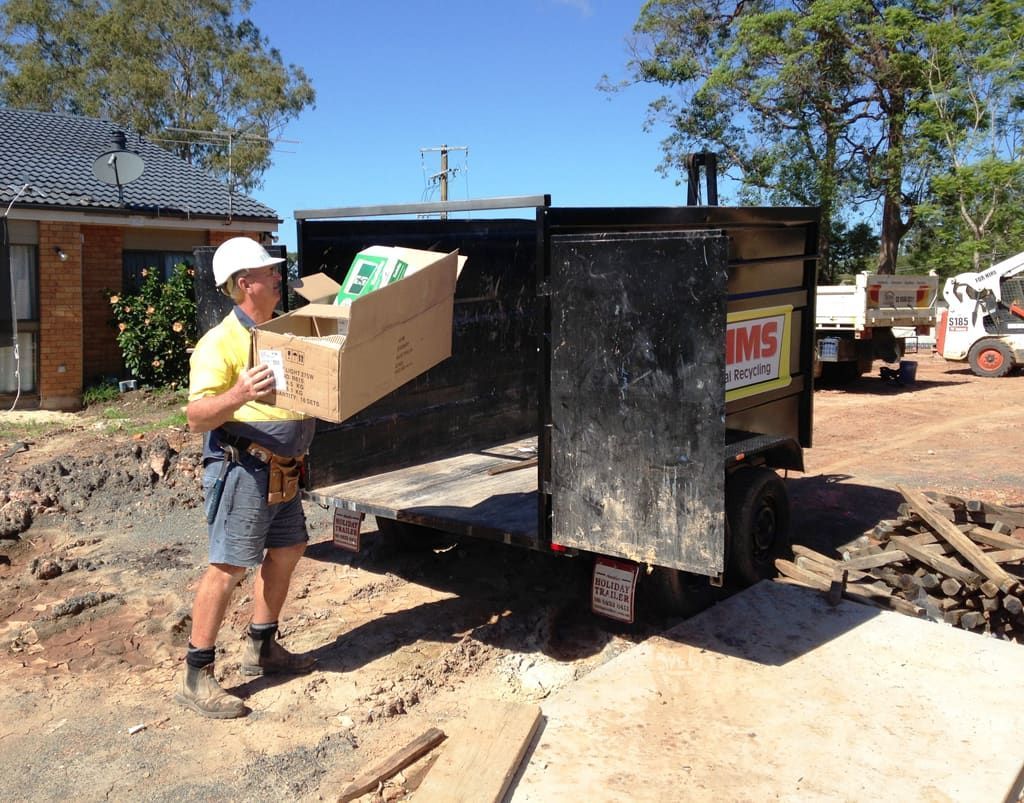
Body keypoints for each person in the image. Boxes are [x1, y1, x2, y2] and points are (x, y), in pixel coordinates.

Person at [175, 236, 317, 719]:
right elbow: (196, 416)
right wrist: (236, 393)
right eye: (269, 272)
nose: (278, 277)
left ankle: (261, 646)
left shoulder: (278, 332)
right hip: (242, 469)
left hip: (282, 470)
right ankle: (196, 676)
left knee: (289, 548)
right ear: (244, 283)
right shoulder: (220, 342)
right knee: (228, 566)